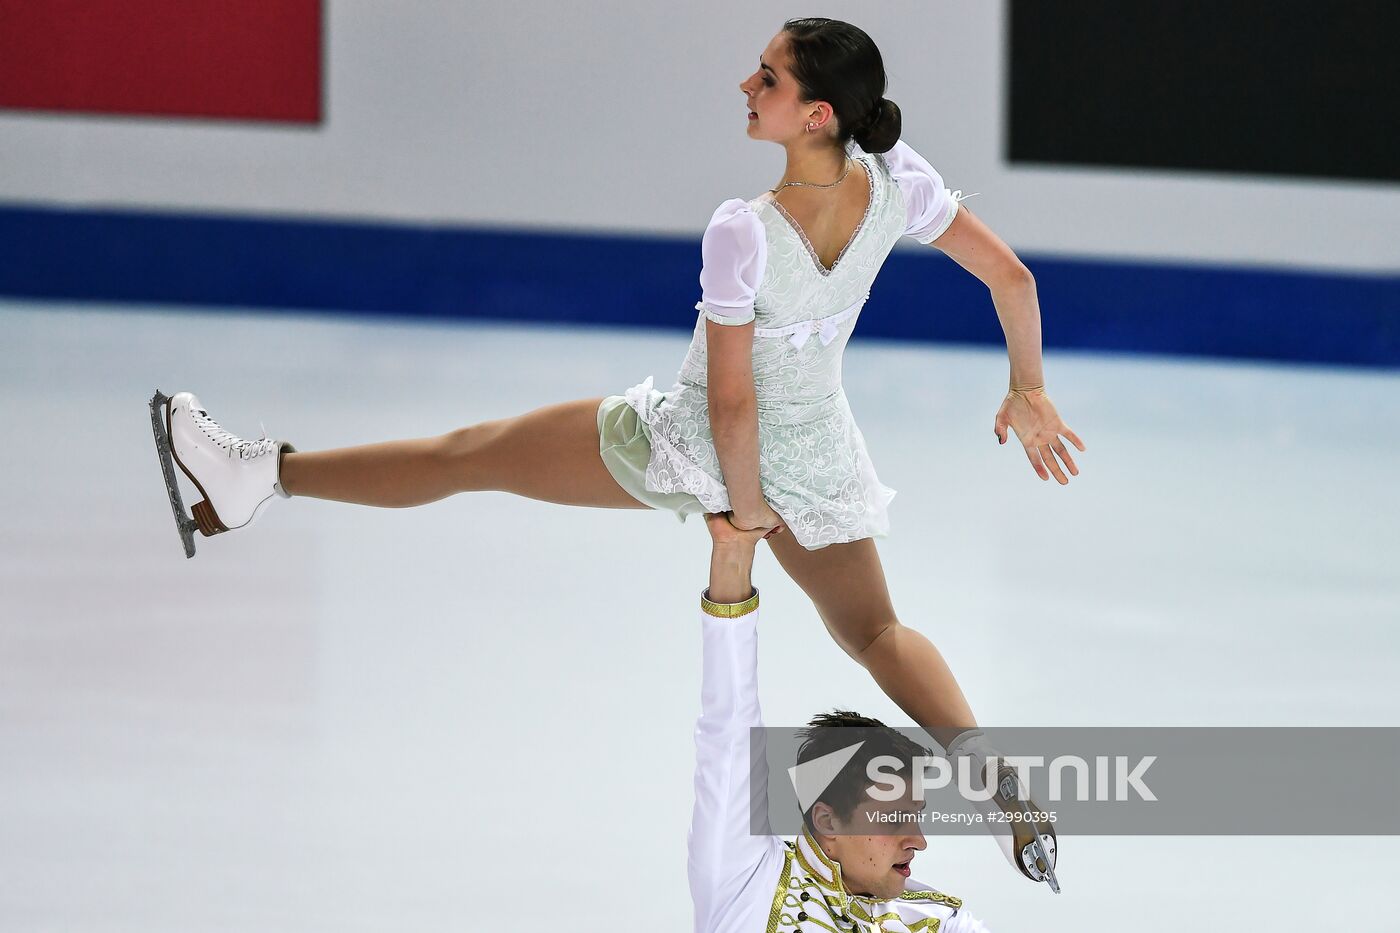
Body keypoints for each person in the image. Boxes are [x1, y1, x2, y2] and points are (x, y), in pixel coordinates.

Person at [149, 18, 1077, 882]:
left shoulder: (743, 228)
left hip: (690, 444)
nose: (745, 83)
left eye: (769, 76)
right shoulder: (896, 183)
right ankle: (1002, 794)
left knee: (466, 455)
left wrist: (742, 517)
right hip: (818, 447)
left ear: (816, 113)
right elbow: (1013, 275)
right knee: (875, 631)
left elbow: (725, 403)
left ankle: (255, 476)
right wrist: (1028, 389)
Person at [692, 509, 993, 931]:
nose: (919, 841)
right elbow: (728, 731)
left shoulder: (939, 922)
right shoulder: (748, 881)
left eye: (916, 814)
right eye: (894, 818)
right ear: (828, 821)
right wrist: (732, 554)